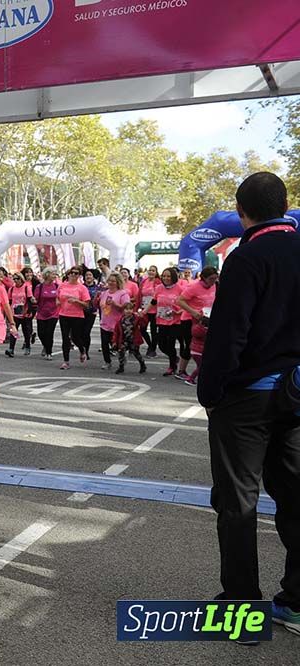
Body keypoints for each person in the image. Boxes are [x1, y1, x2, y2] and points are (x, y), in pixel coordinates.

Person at [197, 172, 300, 633]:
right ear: (285, 205)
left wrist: (210, 393)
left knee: (238, 502)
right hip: (296, 395)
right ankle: (296, 600)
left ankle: (242, 610)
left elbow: (228, 335)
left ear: (241, 212)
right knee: (296, 497)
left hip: (247, 399)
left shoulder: (246, 257)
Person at [176, 266, 218, 381]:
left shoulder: (214, 286)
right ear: (203, 277)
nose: (213, 281)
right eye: (211, 279)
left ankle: (202, 370)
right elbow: (179, 301)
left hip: (205, 320)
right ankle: (181, 371)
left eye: (215, 278)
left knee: (205, 346)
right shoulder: (194, 287)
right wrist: (193, 312)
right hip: (189, 320)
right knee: (191, 345)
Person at [57, 268, 91, 370]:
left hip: (77, 315)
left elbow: (87, 305)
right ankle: (66, 361)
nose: (73, 275)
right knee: (65, 338)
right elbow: (57, 296)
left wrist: (77, 301)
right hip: (63, 314)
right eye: (71, 273)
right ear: (68, 275)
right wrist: (57, 301)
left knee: (75, 337)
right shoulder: (62, 285)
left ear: (79, 276)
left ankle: (82, 349)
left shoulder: (82, 288)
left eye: (76, 273)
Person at [154, 267, 185, 377]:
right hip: (161, 320)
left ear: (173, 277)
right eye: (164, 276)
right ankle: (174, 358)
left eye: (168, 276)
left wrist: (178, 312)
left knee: (171, 343)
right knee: (162, 345)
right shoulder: (159, 288)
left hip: (175, 321)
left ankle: (172, 367)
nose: (166, 278)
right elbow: (153, 302)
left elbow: (187, 304)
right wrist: (144, 311)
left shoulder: (180, 289)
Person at [97, 272, 131, 371]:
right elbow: (99, 305)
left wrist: (115, 304)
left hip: (117, 323)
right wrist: (96, 299)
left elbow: (126, 308)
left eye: (113, 281)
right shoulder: (105, 293)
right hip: (105, 322)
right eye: (109, 281)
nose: (111, 283)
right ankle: (107, 362)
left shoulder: (123, 293)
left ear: (118, 282)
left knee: (116, 344)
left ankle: (123, 356)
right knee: (104, 344)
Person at [111, 301, 147, 374]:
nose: (128, 311)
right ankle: (121, 367)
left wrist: (142, 317)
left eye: (130, 309)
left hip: (133, 339)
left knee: (136, 353)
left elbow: (143, 324)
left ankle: (142, 364)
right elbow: (116, 332)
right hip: (123, 339)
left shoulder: (136, 318)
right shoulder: (120, 320)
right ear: (123, 310)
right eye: (126, 309)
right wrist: (114, 341)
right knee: (121, 352)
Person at [34, 268, 60, 359]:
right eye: (53, 274)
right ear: (47, 275)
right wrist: (33, 300)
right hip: (41, 313)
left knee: (49, 333)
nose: (54, 275)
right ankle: (45, 345)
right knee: (41, 333)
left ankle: (49, 352)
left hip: (53, 313)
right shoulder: (39, 287)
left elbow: (60, 297)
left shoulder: (57, 286)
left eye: (55, 274)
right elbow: (36, 299)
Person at [6, 273, 34, 357]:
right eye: (14, 279)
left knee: (26, 331)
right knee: (14, 331)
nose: (15, 281)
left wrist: (28, 311)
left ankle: (27, 346)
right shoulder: (11, 289)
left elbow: (30, 300)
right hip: (14, 313)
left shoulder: (26, 288)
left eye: (17, 279)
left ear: (21, 279)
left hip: (24, 313)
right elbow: (9, 301)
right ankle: (11, 348)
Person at [139, 266, 162, 357]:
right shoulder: (144, 281)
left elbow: (159, 295)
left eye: (153, 270)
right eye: (150, 270)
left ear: (156, 272)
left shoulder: (158, 282)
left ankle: (152, 349)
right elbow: (140, 294)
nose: (151, 272)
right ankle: (150, 345)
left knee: (153, 331)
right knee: (142, 329)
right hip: (145, 309)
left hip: (155, 310)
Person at [81, 270, 102, 362]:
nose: (88, 276)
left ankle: (86, 351)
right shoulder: (81, 287)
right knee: (79, 333)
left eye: (90, 275)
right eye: (86, 275)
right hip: (80, 312)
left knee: (86, 332)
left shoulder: (98, 288)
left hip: (91, 313)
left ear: (94, 277)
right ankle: (82, 349)